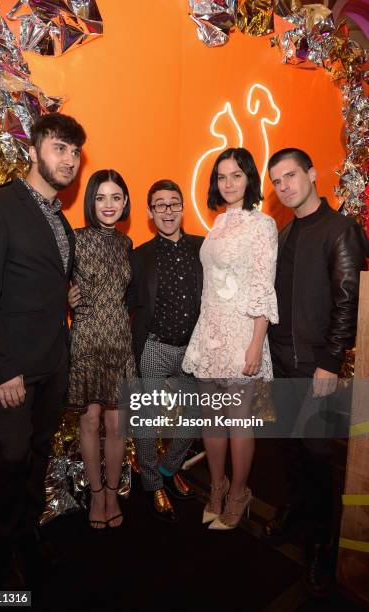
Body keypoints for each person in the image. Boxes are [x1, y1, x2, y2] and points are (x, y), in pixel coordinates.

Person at [0, 113, 86, 578]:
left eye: (75, 151)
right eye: (60, 147)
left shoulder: (60, 220)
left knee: (38, 451)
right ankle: (3, 545)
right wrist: (3, 368)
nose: (70, 159)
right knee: (13, 458)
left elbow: (39, 280)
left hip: (54, 362)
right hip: (12, 367)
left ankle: (28, 531)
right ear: (33, 151)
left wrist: (64, 294)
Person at [264, 148, 368, 597]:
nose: (284, 186)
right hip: (282, 358)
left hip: (317, 363)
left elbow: (348, 301)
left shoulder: (341, 229)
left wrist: (330, 360)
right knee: (291, 446)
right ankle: (298, 514)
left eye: (290, 175)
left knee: (319, 450)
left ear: (311, 173)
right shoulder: (285, 234)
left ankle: (325, 542)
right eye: (277, 181)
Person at [183, 147, 278, 530]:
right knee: (212, 419)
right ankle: (218, 487)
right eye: (221, 176)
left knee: (238, 422)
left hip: (241, 334)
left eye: (236, 175)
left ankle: (240, 492)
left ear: (249, 178)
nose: (228, 183)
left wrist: (255, 343)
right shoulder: (219, 223)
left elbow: (261, 286)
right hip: (209, 333)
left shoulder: (262, 224)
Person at [126, 179, 203, 522]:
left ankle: (170, 469)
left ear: (183, 208)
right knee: (147, 421)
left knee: (195, 418)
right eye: (160, 205)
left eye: (174, 203)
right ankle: (152, 482)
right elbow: (122, 301)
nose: (168, 211)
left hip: (193, 351)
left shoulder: (204, 248)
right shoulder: (139, 255)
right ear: (150, 212)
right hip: (154, 348)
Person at [67, 169, 135, 529]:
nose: (108, 205)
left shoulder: (126, 243)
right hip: (87, 341)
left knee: (116, 423)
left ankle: (112, 491)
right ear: (91, 201)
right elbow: (47, 279)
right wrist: (64, 296)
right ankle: (95, 495)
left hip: (119, 342)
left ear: (124, 202)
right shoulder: (74, 239)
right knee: (91, 421)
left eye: (115, 197)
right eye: (100, 197)